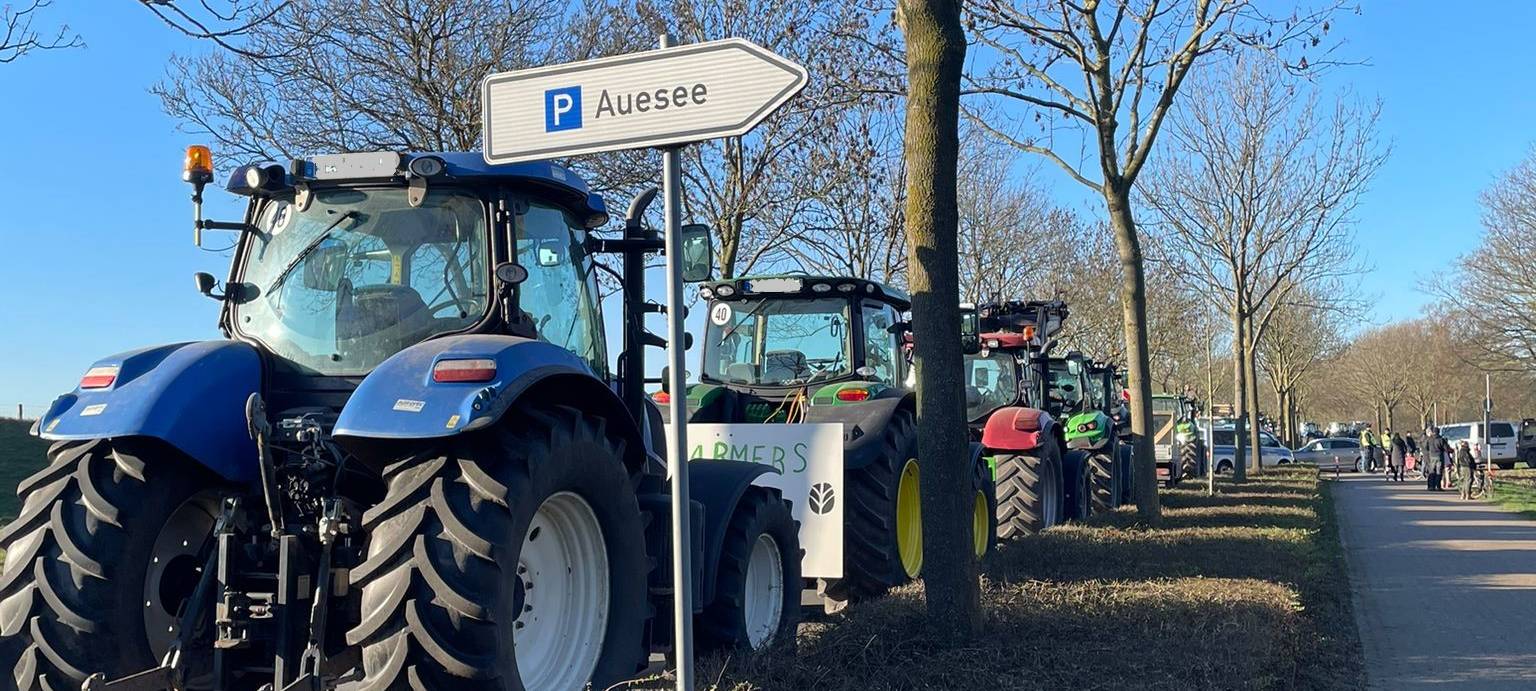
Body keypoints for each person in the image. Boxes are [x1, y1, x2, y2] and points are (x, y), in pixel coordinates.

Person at [1422, 426, 1450, 491]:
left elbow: (1425, 447)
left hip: (1431, 456)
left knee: (1432, 471)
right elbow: (1446, 448)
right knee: (1439, 471)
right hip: (1439, 457)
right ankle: (1438, 486)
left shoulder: (1429, 439)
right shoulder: (1441, 439)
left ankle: (1431, 486)